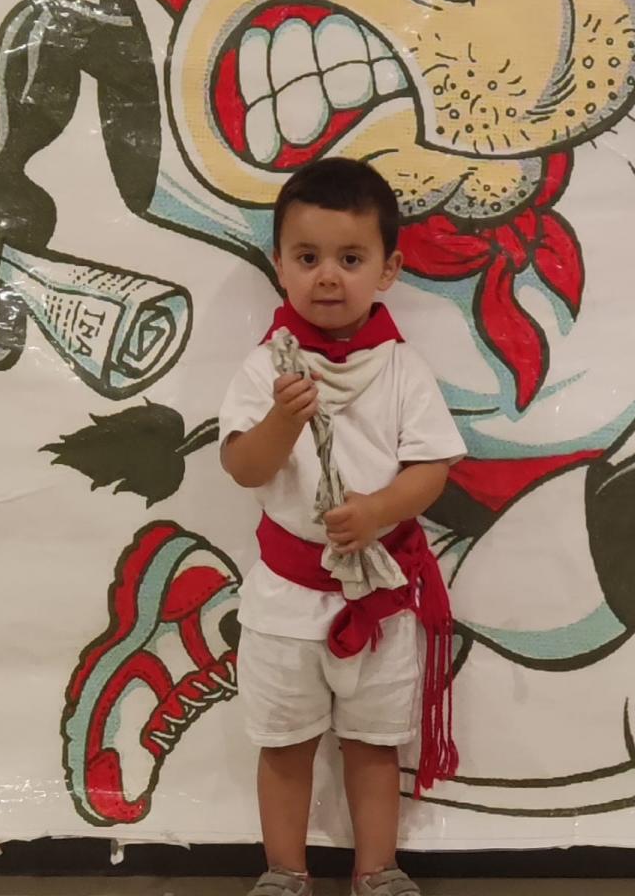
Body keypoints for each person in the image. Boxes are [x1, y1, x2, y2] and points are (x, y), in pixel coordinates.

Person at [220, 157, 466, 896]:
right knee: (284, 745)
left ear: (388, 270)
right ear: (279, 266)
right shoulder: (267, 369)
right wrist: (280, 421)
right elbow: (243, 467)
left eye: (350, 259)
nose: (328, 277)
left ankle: (376, 870)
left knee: (372, 744)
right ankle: (285, 871)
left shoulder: (401, 369)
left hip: (377, 596)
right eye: (307, 258)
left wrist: (376, 512)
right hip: (286, 603)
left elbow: (432, 468)